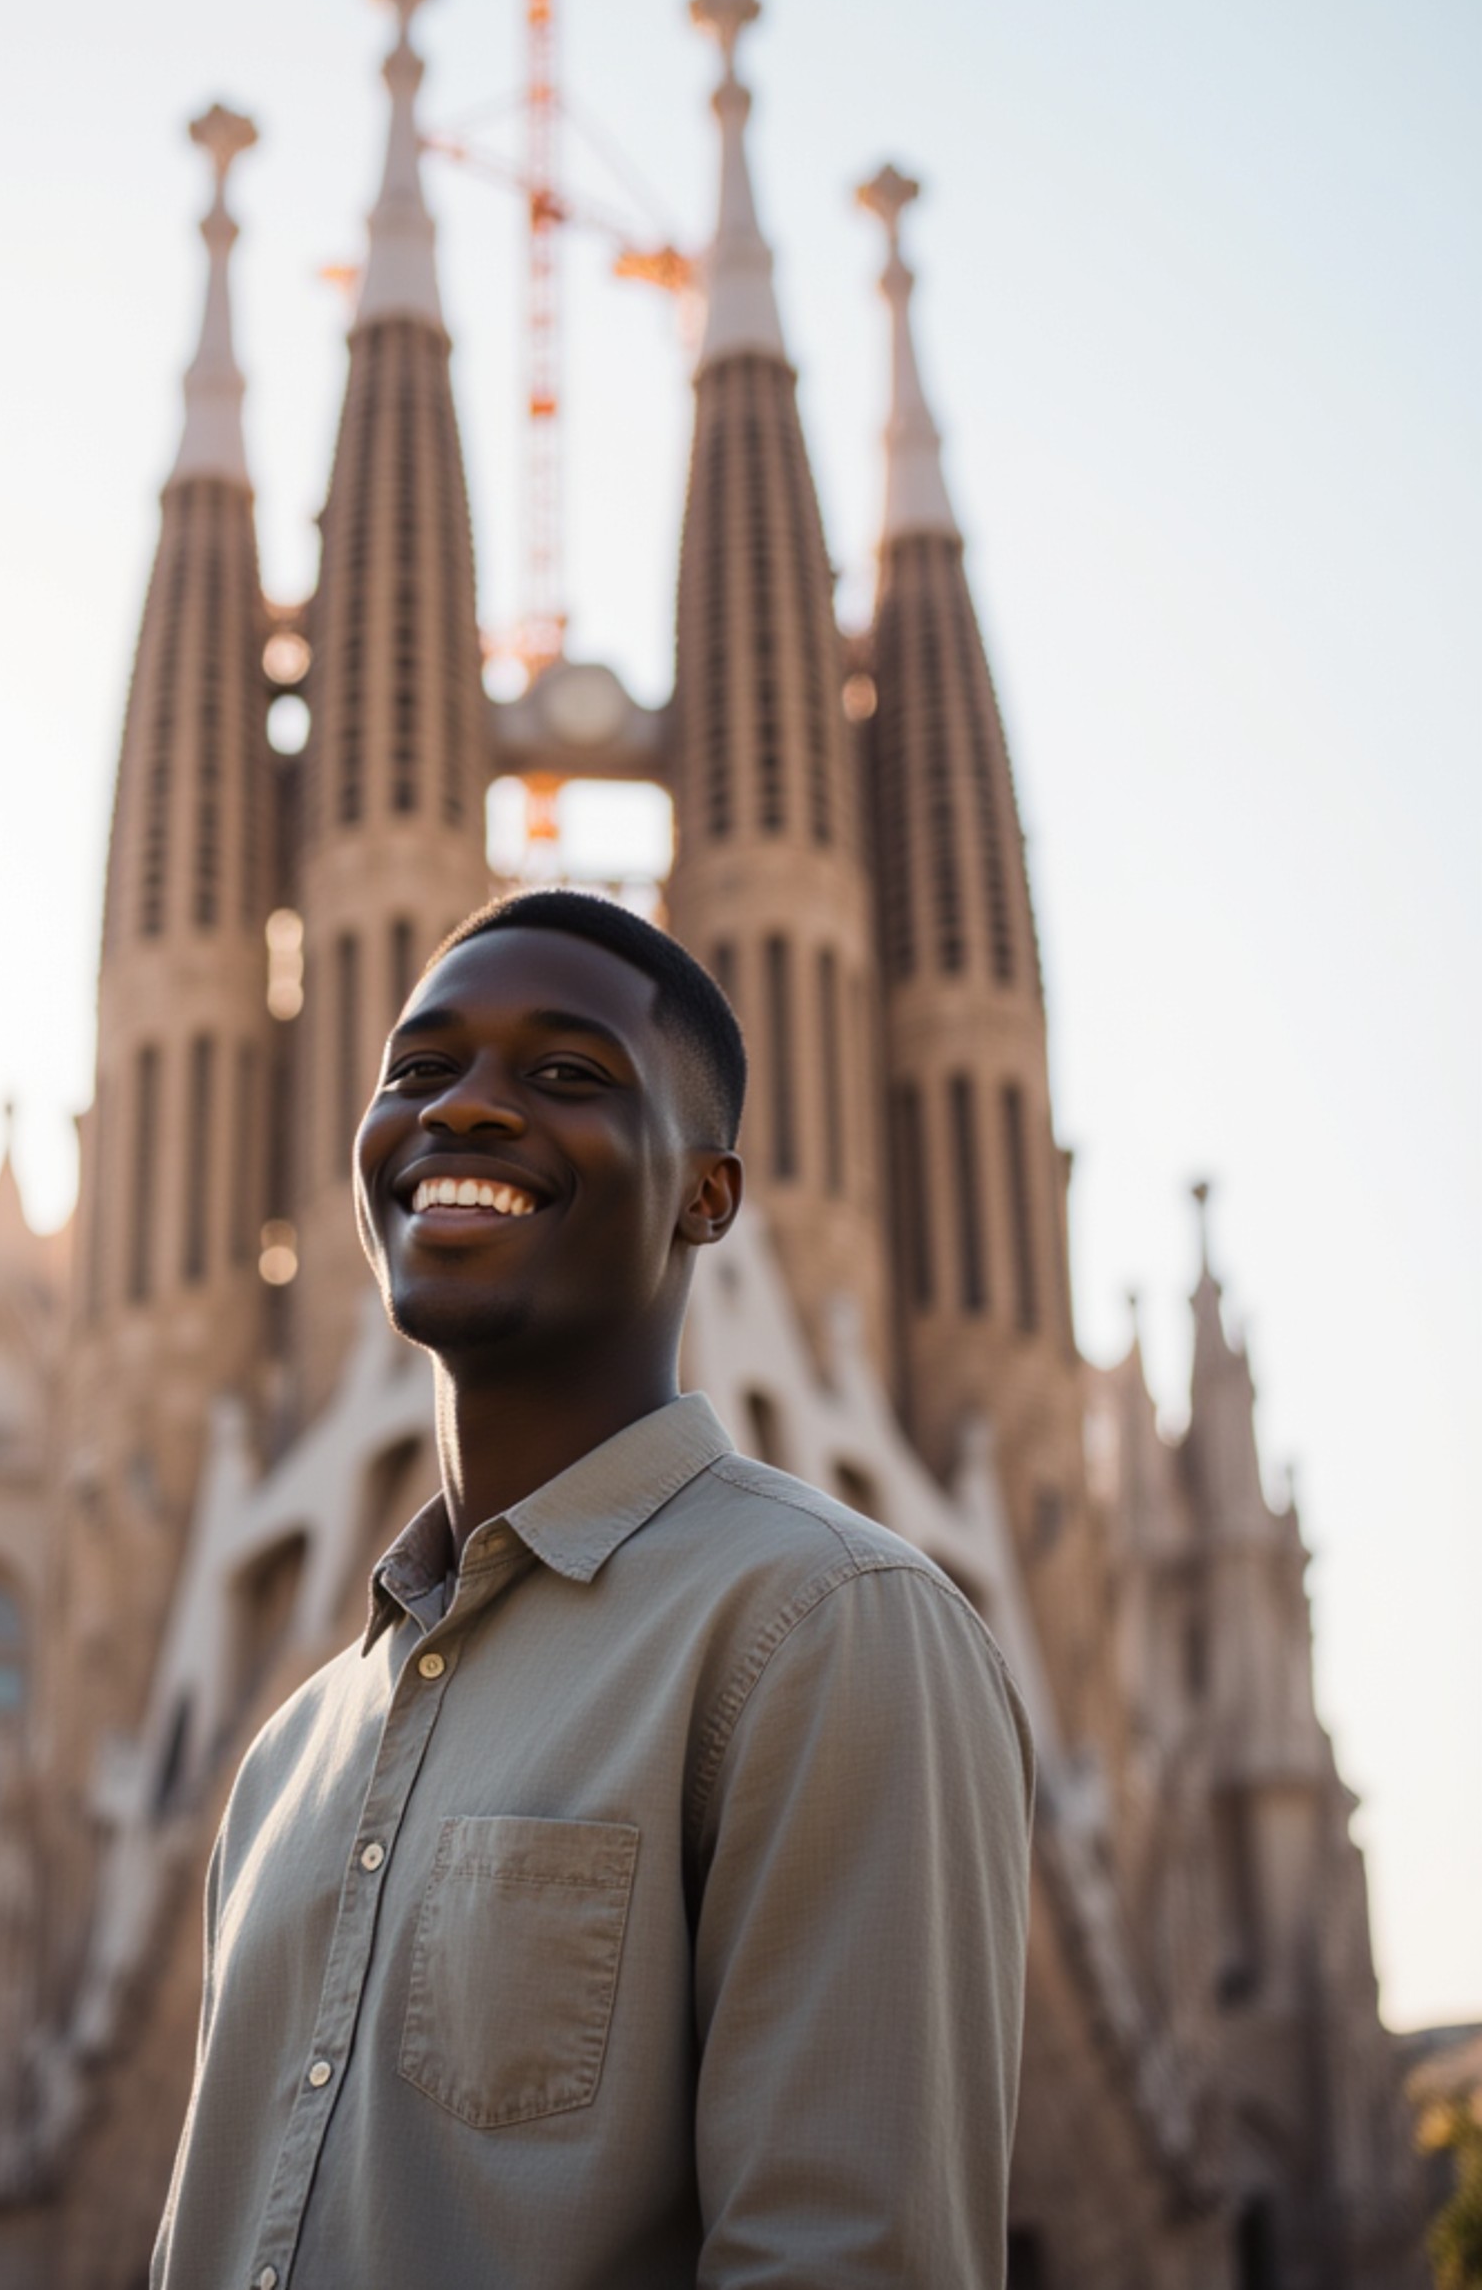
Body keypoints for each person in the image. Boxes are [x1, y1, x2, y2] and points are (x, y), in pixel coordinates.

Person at [151, 890, 1035, 2289]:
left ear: (707, 1193)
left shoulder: (827, 1629)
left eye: (565, 1076)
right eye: (419, 1072)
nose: (467, 1112)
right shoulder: (287, 1760)